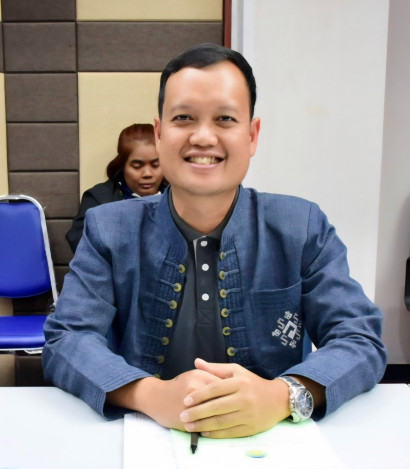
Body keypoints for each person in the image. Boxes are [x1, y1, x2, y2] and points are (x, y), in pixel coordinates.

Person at [43, 43, 386, 439]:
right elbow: (68, 338)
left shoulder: (301, 226)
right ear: (159, 134)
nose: (203, 137)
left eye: (225, 118)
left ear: (252, 136)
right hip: (143, 440)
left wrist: (282, 396)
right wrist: (150, 394)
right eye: (183, 118)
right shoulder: (109, 228)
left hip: (272, 442)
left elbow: (360, 338)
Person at [66, 123, 167, 252]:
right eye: (137, 166)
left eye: (156, 165)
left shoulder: (179, 197)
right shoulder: (98, 199)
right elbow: (80, 243)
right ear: (122, 166)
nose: (147, 174)